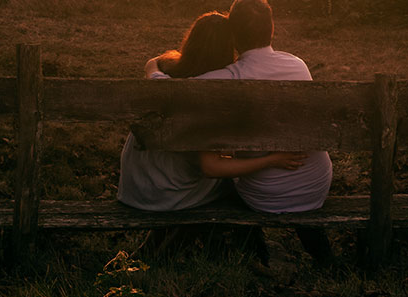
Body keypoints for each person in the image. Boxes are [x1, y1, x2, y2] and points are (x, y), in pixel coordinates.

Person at [118, 11, 306, 211]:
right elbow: (211, 167)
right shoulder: (209, 94)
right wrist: (270, 160)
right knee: (238, 185)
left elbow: (152, 65)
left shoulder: (169, 78)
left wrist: (156, 65)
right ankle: (245, 241)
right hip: (169, 195)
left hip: (134, 189)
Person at [200, 0, 333, 215]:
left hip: (265, 199)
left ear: (233, 34)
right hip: (315, 187)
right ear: (271, 28)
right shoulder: (298, 66)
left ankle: (251, 247)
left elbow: (173, 88)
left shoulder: (221, 79)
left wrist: (154, 68)